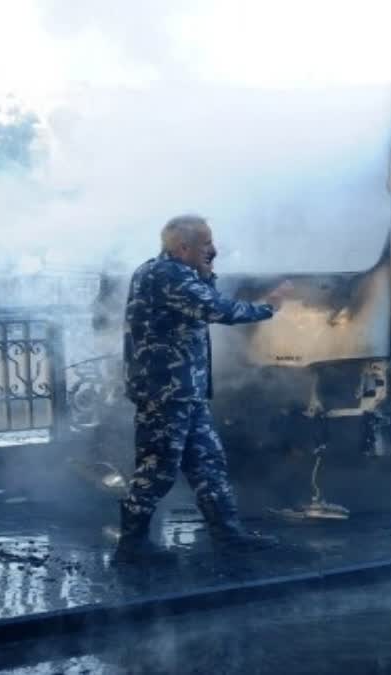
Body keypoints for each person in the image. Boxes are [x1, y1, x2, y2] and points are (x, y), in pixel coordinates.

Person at [116, 214, 292, 562]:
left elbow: (202, 301)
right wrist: (269, 307)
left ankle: (229, 536)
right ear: (184, 247)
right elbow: (216, 309)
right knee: (157, 468)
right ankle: (131, 546)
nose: (214, 249)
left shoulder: (169, 272)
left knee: (208, 464)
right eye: (206, 244)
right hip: (166, 392)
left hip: (185, 391)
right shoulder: (166, 274)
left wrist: (207, 272)